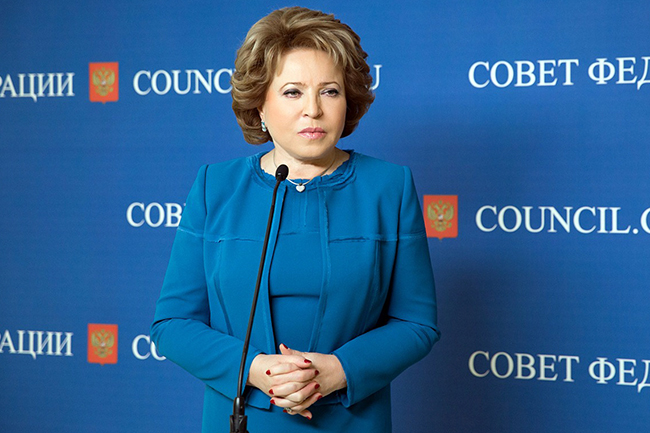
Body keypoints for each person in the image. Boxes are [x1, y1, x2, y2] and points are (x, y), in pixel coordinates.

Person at [151, 6, 439, 433]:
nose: (313, 110)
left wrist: (338, 371)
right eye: (292, 92)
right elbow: (173, 324)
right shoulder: (216, 187)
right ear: (260, 104)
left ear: (348, 101)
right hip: (245, 418)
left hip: (352, 421)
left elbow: (417, 323)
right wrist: (256, 371)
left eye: (329, 91)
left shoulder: (389, 187)